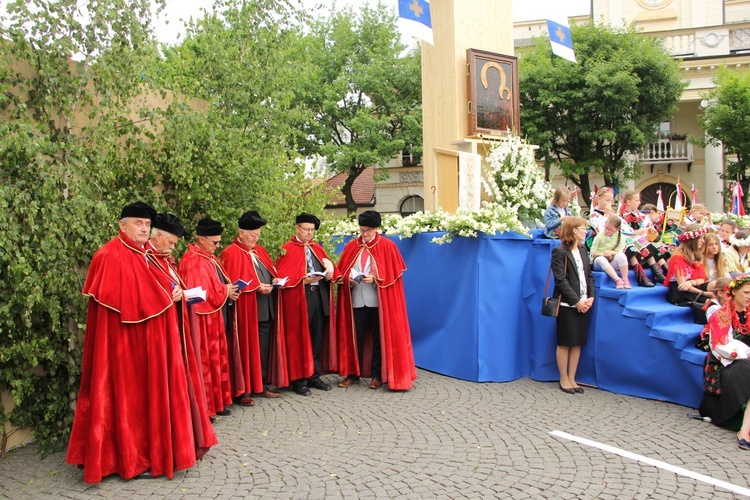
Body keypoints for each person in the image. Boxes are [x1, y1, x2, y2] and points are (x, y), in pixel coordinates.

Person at [67, 202, 202, 483]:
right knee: (124, 405)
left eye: (146, 224)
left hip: (152, 348)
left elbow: (158, 292)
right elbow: (114, 313)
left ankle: (152, 456)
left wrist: (175, 291)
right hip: (120, 352)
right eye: (138, 223)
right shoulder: (108, 256)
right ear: (122, 226)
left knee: (148, 403)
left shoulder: (148, 255)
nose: (144, 229)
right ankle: (123, 460)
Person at [146, 213, 217, 456]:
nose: (173, 247)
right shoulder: (148, 259)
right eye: (171, 242)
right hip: (162, 334)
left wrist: (181, 293)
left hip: (177, 327)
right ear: (158, 236)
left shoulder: (165, 259)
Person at [336, 210, 417, 391]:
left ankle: (377, 375)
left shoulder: (388, 246)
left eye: (368, 230)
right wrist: (348, 277)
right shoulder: (351, 247)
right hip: (356, 300)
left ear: (376, 228)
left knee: (380, 339)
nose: (365, 234)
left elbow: (392, 276)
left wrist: (375, 278)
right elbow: (342, 272)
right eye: (362, 230)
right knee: (356, 337)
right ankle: (352, 374)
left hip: (379, 302)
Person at [178, 217, 244, 417]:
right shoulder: (191, 260)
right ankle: (205, 409)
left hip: (215, 317)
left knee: (217, 361)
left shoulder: (208, 257)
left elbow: (214, 286)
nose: (218, 246)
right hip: (201, 320)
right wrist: (225, 290)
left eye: (219, 241)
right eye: (215, 242)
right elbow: (200, 292)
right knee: (206, 364)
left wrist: (227, 290)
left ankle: (218, 402)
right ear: (201, 239)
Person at [221, 211, 287, 400]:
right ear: (241, 233)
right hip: (246, 311)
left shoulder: (260, 251)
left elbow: (269, 269)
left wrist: (274, 279)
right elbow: (233, 282)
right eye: (252, 235)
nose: (255, 238)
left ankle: (262, 384)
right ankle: (244, 389)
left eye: (257, 235)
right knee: (245, 349)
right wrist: (256, 288)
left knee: (263, 349)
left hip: (266, 308)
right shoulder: (230, 253)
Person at [277, 213, 341, 396]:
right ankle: (299, 380)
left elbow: (332, 269)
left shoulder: (316, 248)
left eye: (312, 230)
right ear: (297, 228)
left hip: (318, 297)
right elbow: (282, 278)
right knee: (299, 339)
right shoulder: (287, 249)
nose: (310, 233)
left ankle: (314, 374)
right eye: (306, 229)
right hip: (300, 298)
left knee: (317, 337)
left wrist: (329, 274)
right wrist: (301, 281)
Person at [699, 275, 750, 450]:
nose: (749, 296)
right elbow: (720, 347)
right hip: (726, 365)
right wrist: (746, 353)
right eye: (746, 292)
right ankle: (744, 431)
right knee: (746, 368)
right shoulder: (721, 315)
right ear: (734, 292)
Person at [551, 216, 595, 395]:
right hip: (568, 304)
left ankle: (572, 377)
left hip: (584, 302)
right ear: (574, 230)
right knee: (565, 341)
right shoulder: (560, 251)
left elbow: (589, 275)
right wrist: (576, 301)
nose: (585, 231)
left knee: (577, 342)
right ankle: (564, 378)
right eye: (583, 228)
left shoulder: (583, 249)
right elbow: (560, 280)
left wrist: (591, 297)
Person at [664, 224, 714, 306]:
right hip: (681, 292)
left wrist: (691, 282)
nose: (703, 241)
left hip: (691, 285)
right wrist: (704, 293)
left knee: (716, 285)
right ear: (693, 240)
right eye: (701, 238)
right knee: (711, 303)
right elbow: (683, 285)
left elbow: (702, 278)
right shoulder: (678, 257)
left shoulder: (696, 255)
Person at [589, 216, 631, 289]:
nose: (607, 231)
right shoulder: (600, 236)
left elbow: (620, 250)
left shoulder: (621, 236)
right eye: (606, 228)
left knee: (622, 256)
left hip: (612, 261)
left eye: (610, 229)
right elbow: (592, 251)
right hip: (599, 262)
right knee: (601, 259)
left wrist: (611, 253)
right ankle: (617, 279)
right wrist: (602, 254)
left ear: (616, 229)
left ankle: (625, 279)